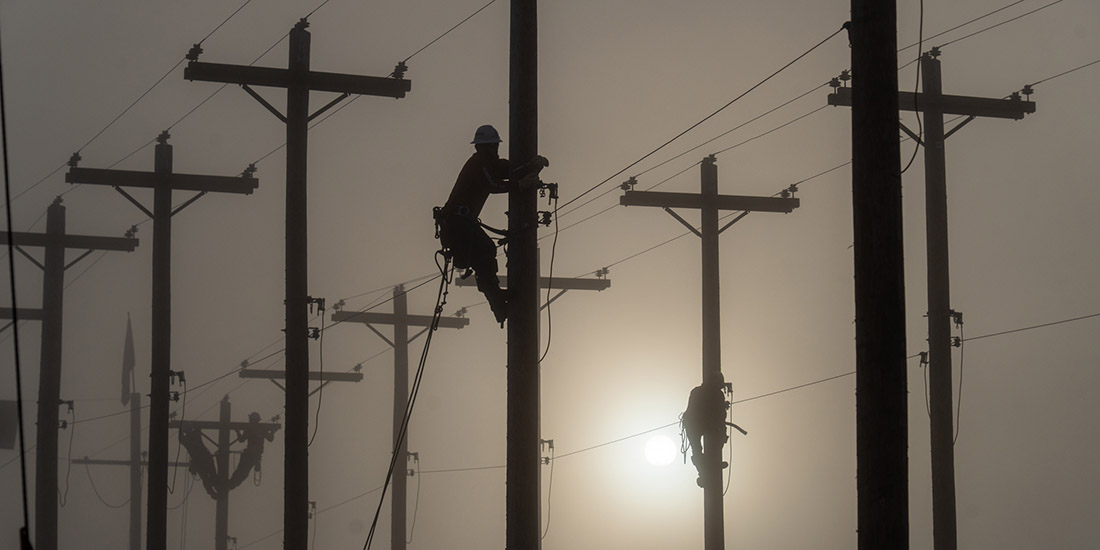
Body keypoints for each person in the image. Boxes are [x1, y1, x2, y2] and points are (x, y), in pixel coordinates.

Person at [436, 124, 547, 325]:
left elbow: (509, 170)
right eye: (492, 147)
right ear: (483, 148)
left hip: (459, 222)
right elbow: (493, 185)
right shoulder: (479, 163)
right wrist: (520, 185)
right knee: (485, 250)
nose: (495, 151)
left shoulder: (486, 163)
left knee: (482, 257)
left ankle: (497, 301)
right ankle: (498, 303)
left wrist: (530, 165)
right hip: (457, 222)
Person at [683, 369, 729, 487]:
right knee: (702, 447)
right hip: (696, 423)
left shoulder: (697, 391)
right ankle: (705, 471)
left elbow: (719, 415)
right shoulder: (715, 394)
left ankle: (705, 470)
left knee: (699, 449)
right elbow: (720, 416)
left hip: (695, 424)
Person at [227, 412, 275, 490]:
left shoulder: (250, 428)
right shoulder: (262, 428)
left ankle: (230, 485)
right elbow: (270, 439)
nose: (249, 420)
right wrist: (273, 431)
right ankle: (230, 485)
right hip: (253, 456)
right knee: (243, 473)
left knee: (241, 472)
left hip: (250, 455)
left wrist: (237, 431)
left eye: (250, 419)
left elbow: (241, 439)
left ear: (253, 420)